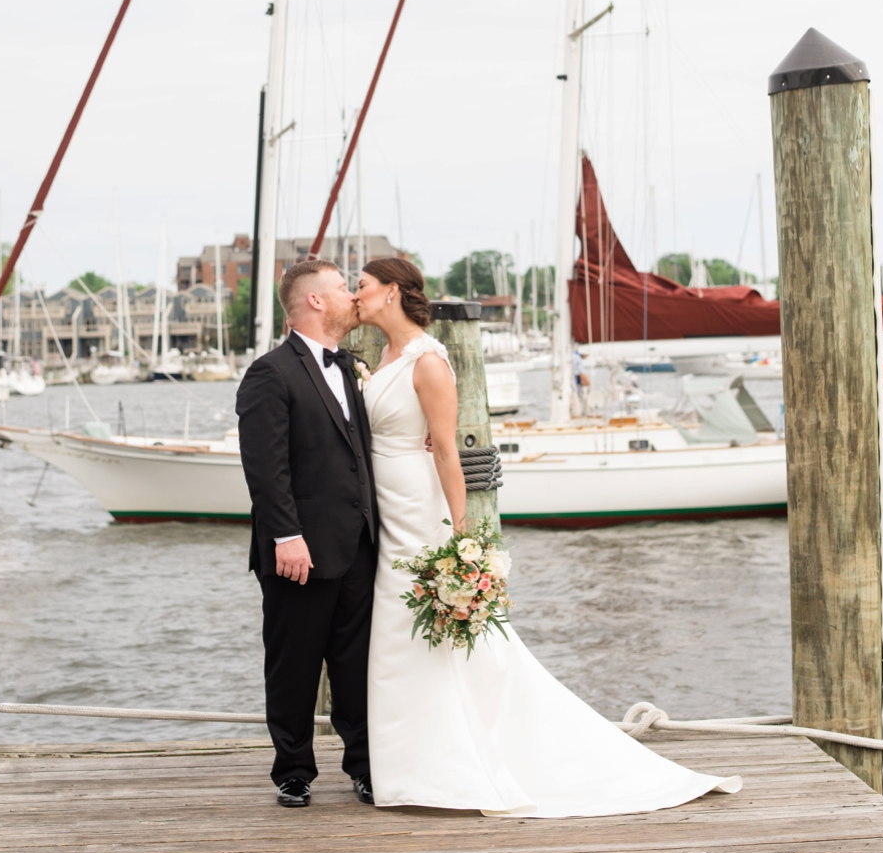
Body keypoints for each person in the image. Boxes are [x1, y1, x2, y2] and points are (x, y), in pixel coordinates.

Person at [357, 256, 743, 816]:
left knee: (418, 624)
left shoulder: (428, 360)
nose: (356, 294)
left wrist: (463, 537)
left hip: (419, 511)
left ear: (391, 292)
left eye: (363, 286)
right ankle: (413, 764)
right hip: (386, 507)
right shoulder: (382, 356)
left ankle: (453, 765)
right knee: (397, 631)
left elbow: (446, 448)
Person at [235, 259, 377, 809]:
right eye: (343, 287)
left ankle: (364, 766)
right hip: (301, 549)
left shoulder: (348, 367)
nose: (351, 296)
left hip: (359, 543)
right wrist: (286, 535)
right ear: (315, 301)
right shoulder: (270, 372)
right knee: (293, 661)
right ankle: (293, 769)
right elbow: (265, 468)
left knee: (356, 662)